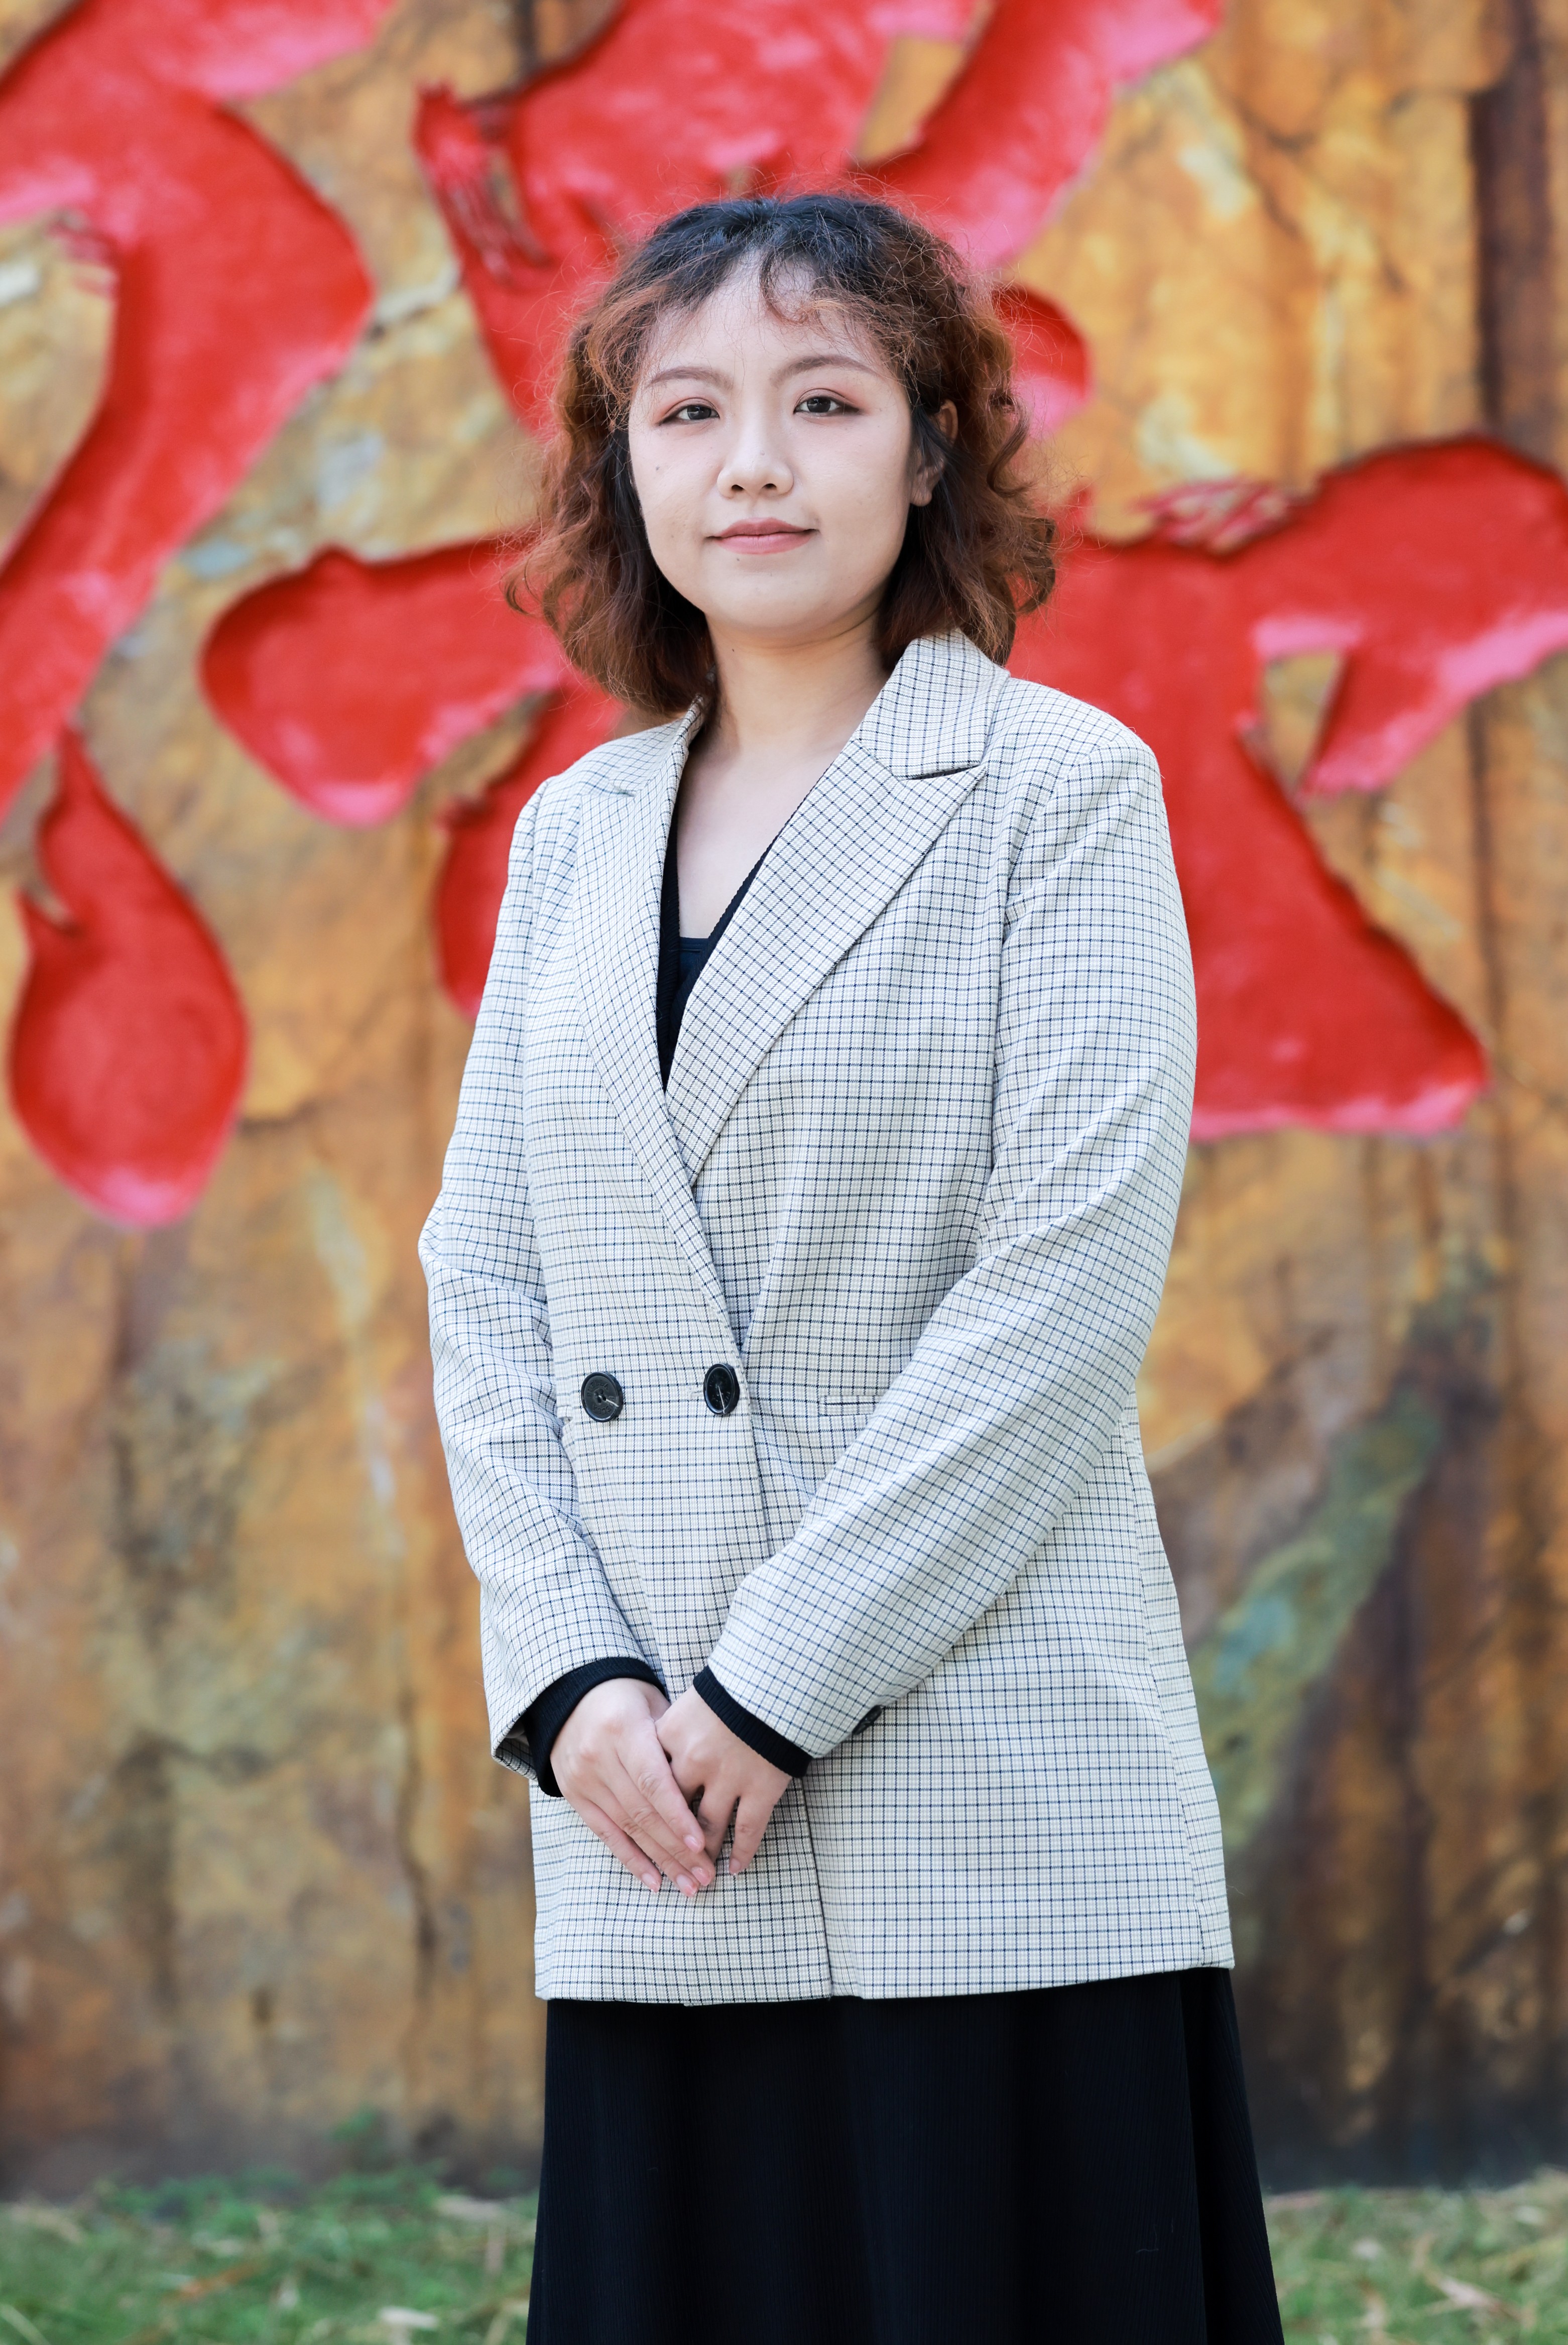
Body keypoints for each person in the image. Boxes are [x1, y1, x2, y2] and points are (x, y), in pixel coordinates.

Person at [420, 191, 1283, 2345]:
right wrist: (576, 1684)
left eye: (823, 403)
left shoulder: (1053, 791)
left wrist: (768, 1689)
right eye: (687, 411)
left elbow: (1060, 1290)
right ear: (623, 466)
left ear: (929, 449)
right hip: (652, 1792)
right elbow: (486, 1280)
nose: (754, 465)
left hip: (976, 1756)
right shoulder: (574, 836)